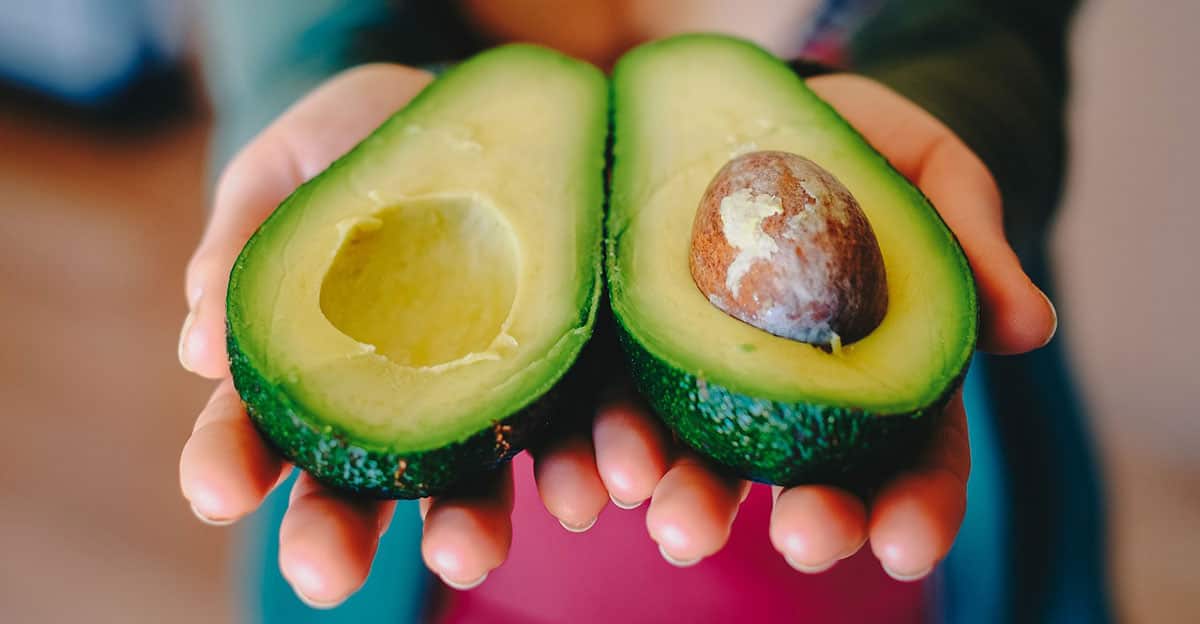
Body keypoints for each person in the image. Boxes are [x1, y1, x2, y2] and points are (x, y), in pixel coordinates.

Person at [179, 1, 1110, 621]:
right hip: (461, 559)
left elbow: (991, 23)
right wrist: (312, 82)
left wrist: (949, 102)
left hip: (890, 553)